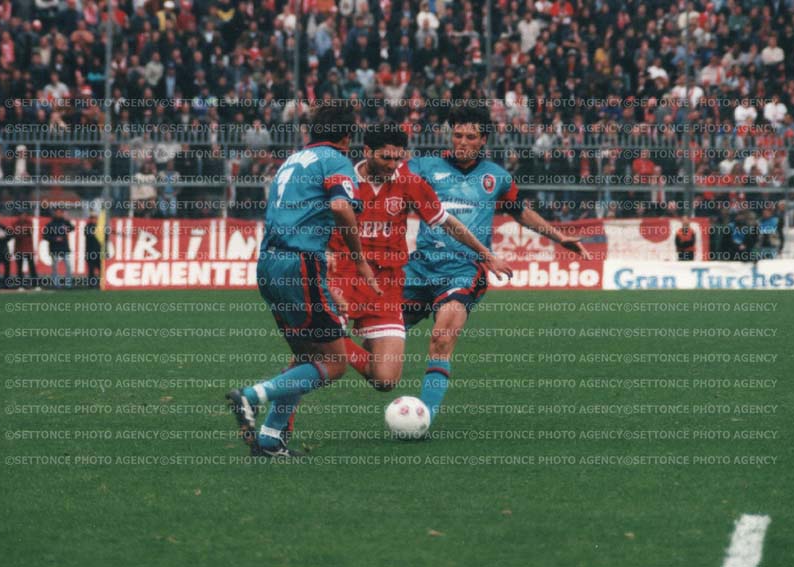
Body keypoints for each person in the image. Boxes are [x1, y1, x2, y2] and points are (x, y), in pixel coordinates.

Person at [402, 102, 590, 424]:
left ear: (483, 140)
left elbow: (520, 211)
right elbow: (386, 185)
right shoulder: (423, 167)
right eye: (457, 135)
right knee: (378, 338)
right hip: (419, 268)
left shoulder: (496, 177)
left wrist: (559, 237)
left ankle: (424, 417)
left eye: (470, 137)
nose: (462, 142)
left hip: (464, 270)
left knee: (442, 339)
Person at [226, 101, 380, 458]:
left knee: (306, 356)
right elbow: (341, 207)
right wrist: (359, 261)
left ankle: (270, 440)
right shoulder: (336, 160)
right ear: (348, 135)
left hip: (269, 263)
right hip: (300, 264)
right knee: (335, 363)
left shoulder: (291, 161)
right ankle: (252, 396)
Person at [327, 122, 512, 391]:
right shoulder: (343, 180)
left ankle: (323, 343)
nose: (393, 165)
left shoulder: (409, 182)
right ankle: (309, 358)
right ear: (367, 151)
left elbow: (446, 221)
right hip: (343, 274)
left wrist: (486, 254)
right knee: (325, 357)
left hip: (386, 284)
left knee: (385, 379)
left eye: (398, 158)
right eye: (386, 158)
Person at [42, 208, 74, 288]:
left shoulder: (65, 222)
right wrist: (55, 239)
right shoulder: (50, 224)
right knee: (55, 267)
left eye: (60, 212)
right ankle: (56, 284)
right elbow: (45, 236)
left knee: (68, 266)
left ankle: (68, 284)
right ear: (55, 213)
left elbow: (72, 228)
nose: (59, 214)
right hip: (54, 248)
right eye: (57, 212)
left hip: (64, 248)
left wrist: (67, 220)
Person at [12, 210, 38, 289]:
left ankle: (35, 284)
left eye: (24, 215)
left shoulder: (29, 222)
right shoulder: (15, 223)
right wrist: (24, 231)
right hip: (19, 249)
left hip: (28, 249)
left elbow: (29, 231)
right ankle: (20, 285)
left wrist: (21, 231)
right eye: (21, 215)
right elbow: (16, 233)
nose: (22, 216)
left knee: (32, 267)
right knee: (19, 268)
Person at [84, 211, 102, 287]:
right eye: (92, 218)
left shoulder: (100, 227)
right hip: (90, 252)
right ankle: (91, 284)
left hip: (99, 252)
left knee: (101, 269)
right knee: (91, 269)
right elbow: (89, 235)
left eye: (95, 218)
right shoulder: (87, 227)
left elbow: (105, 238)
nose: (94, 220)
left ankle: (101, 284)